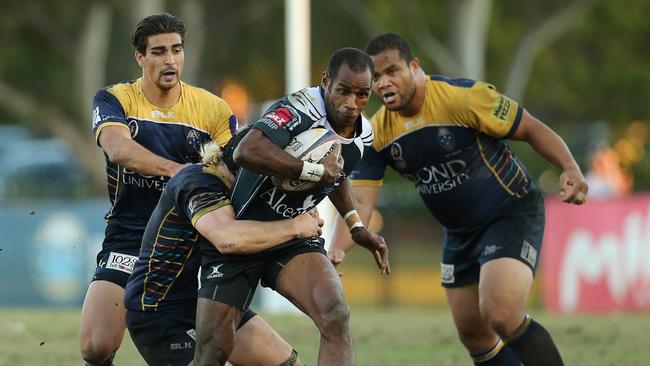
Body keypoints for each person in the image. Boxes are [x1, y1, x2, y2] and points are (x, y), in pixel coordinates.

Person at [328, 33, 589, 366]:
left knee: (500, 312)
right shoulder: (377, 132)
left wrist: (569, 167)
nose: (384, 82)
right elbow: (361, 202)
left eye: (392, 71)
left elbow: (530, 128)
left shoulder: (462, 98)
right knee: (474, 335)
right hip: (458, 232)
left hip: (509, 211)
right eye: (376, 77)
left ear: (414, 67)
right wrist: (335, 248)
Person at [81, 13, 297, 366]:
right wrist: (182, 175)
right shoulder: (115, 99)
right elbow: (118, 149)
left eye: (176, 50)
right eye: (159, 51)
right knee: (96, 346)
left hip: (192, 244)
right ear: (140, 57)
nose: (169, 60)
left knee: (279, 361)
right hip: (130, 239)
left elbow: (238, 171)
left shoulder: (212, 109)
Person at [192, 47, 391, 366]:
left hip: (293, 238)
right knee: (213, 351)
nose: (352, 103)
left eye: (362, 94)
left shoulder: (363, 133)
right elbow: (247, 151)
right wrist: (311, 170)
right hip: (243, 235)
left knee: (335, 315)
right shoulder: (298, 108)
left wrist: (356, 226)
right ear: (326, 81)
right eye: (343, 91)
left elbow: (336, 175)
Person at [124, 140, 321, 366]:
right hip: (157, 314)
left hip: (203, 303)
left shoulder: (229, 187)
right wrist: (294, 227)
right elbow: (227, 239)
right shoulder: (198, 182)